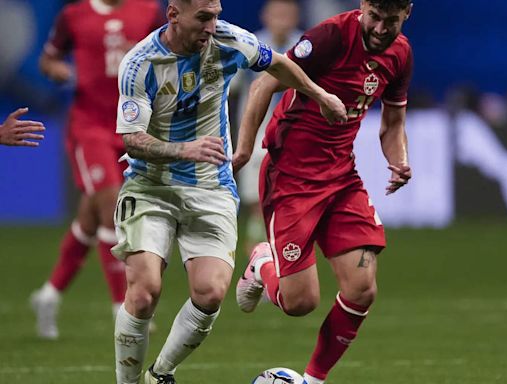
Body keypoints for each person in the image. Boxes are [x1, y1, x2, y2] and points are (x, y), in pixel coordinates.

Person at [111, 0, 347, 383]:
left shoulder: (230, 40)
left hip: (210, 184)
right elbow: (132, 139)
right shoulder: (140, 63)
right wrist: (181, 149)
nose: (212, 25)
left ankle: (161, 374)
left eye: (216, 15)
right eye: (203, 17)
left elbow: (279, 63)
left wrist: (319, 95)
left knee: (211, 293)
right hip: (151, 185)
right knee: (144, 291)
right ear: (174, 15)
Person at [234, 1, 413, 383]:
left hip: (341, 176)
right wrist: (245, 151)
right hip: (291, 177)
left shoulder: (400, 54)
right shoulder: (331, 37)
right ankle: (262, 263)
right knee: (300, 303)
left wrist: (398, 160)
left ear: (407, 14)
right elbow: (265, 82)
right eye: (375, 17)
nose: (381, 28)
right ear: (363, 6)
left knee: (362, 288)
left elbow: (393, 122)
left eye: (392, 21)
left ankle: (313, 380)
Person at [30, 0, 164, 340]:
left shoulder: (148, 10)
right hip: (89, 128)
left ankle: (48, 295)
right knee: (113, 208)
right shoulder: (74, 15)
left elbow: (167, 53)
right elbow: (48, 58)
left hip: (133, 124)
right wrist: (56, 70)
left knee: (91, 216)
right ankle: (123, 307)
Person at [235, 0, 303, 253]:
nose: (282, 19)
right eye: (277, 14)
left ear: (296, 16)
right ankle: (260, 263)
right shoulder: (249, 47)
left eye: (287, 14)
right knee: (257, 203)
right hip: (257, 135)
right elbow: (230, 88)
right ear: (265, 16)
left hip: (294, 136)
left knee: (288, 203)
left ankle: (281, 260)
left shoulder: (306, 47)